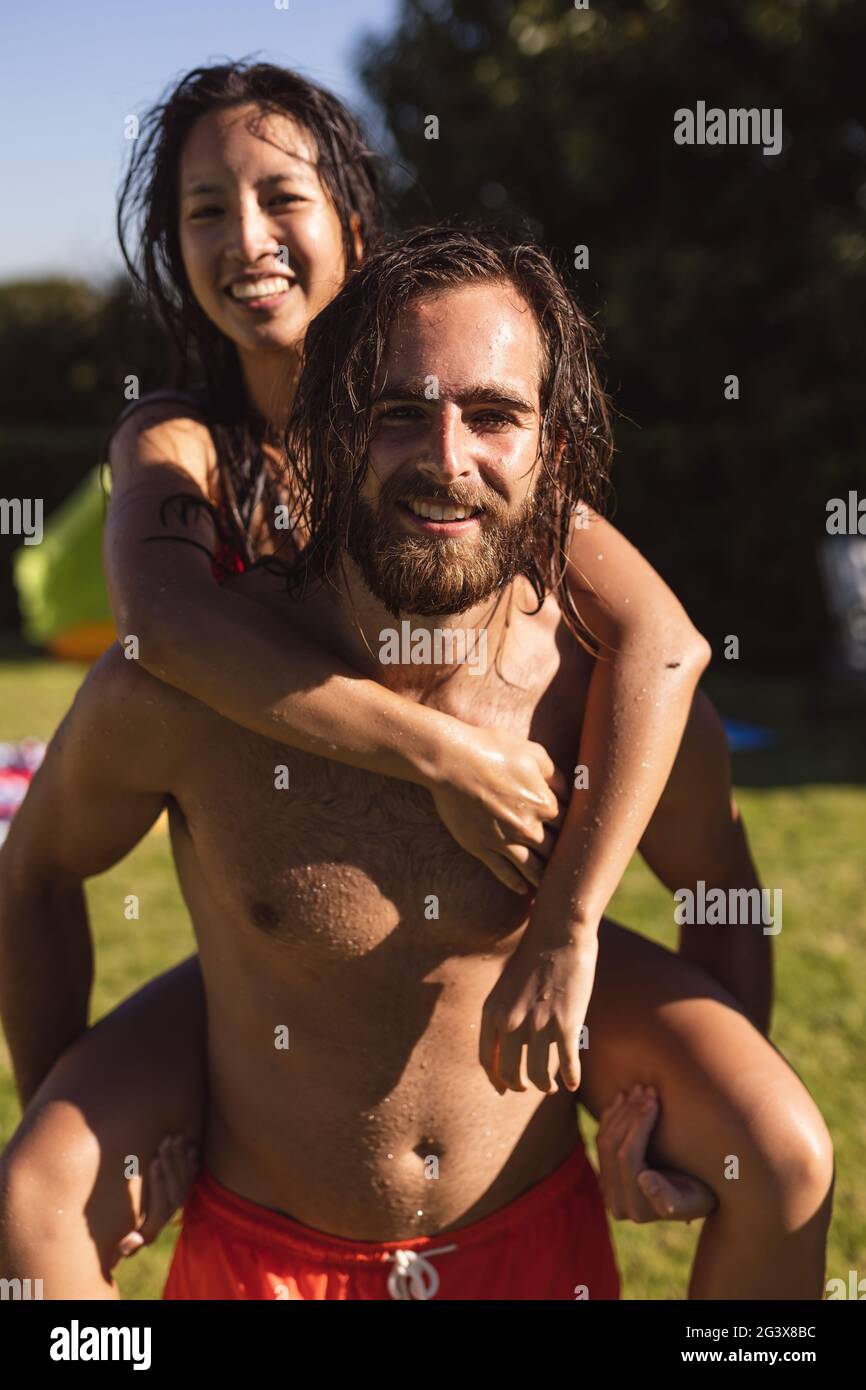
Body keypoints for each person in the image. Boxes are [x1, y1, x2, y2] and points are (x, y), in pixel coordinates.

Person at [0, 61, 772, 1295]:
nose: (246, 238)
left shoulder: (461, 417)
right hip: (284, 928)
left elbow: (663, 640)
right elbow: (158, 622)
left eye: (280, 196)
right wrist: (440, 754)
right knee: (36, 1197)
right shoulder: (177, 442)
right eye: (204, 208)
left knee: (779, 1150)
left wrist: (571, 914)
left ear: (355, 218)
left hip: (481, 930)